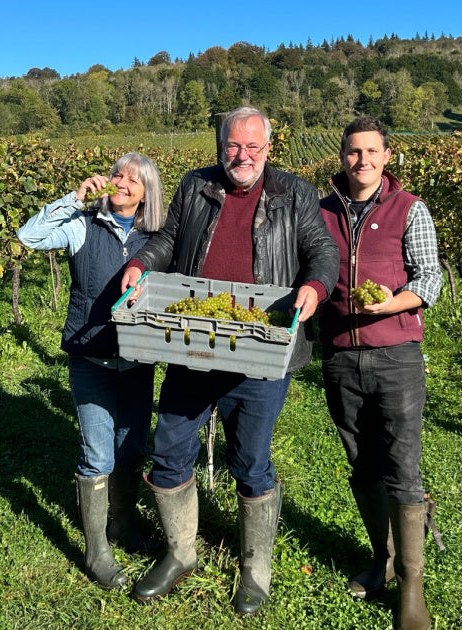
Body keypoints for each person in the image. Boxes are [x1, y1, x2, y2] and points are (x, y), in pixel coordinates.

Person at [118, 107, 338, 615]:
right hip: (192, 339)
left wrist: (313, 286)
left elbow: (322, 252)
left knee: (251, 460)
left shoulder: (296, 193)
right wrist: (139, 264)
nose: (243, 156)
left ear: (269, 147)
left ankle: (256, 570)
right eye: (233, 147)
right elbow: (168, 241)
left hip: (261, 347)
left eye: (253, 147)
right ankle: (180, 552)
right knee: (170, 447)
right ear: (221, 147)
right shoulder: (196, 185)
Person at [16, 152, 166, 589]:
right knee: (97, 454)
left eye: (133, 180)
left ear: (147, 192)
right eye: (117, 174)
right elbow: (29, 237)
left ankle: (123, 524)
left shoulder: (156, 237)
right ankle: (97, 549)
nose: (122, 183)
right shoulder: (83, 225)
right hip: (90, 358)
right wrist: (72, 198)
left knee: (133, 446)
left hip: (138, 360)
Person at [316, 117, 442, 630]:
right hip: (341, 353)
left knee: (402, 467)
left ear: (387, 157)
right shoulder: (320, 211)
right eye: (353, 152)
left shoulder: (410, 209)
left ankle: (412, 583)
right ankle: (382, 559)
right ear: (341, 157)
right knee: (361, 463)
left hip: (397, 356)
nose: (362, 160)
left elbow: (429, 277)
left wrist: (394, 304)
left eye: (372, 152)